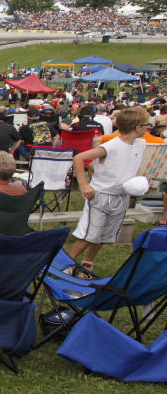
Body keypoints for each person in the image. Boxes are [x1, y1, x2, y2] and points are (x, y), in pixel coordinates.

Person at [68, 106, 150, 273]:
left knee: (105, 235)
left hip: (121, 196)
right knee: (90, 234)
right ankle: (67, 264)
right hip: (100, 195)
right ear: (138, 127)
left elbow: (130, 163)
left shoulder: (140, 144)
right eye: (147, 125)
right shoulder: (110, 147)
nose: (149, 127)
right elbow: (79, 158)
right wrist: (84, 184)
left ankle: (87, 264)